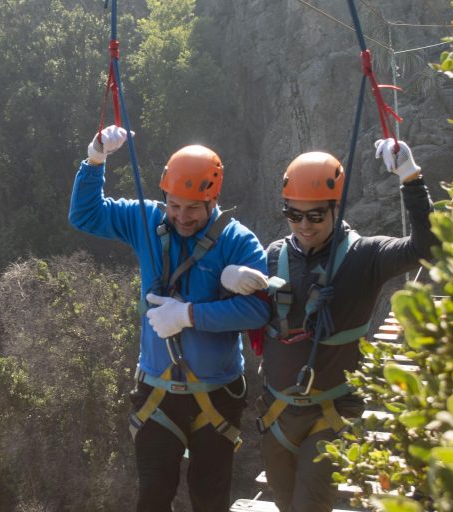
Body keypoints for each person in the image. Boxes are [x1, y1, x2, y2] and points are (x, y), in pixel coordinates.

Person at [220, 139, 437, 512]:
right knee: (286, 503)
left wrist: (410, 177)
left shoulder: (365, 256)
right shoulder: (274, 256)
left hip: (332, 413)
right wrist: (228, 279)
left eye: (316, 215)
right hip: (277, 413)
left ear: (336, 208)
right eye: (294, 214)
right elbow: (235, 308)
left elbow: (427, 248)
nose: (304, 225)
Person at [69, 125, 270, 512]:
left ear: (213, 199)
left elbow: (258, 310)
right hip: (157, 392)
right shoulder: (147, 220)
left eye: (193, 208)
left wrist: (189, 315)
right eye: (174, 205)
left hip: (217, 392)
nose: (181, 217)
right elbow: (85, 215)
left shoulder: (238, 241)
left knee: (209, 499)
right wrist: (94, 160)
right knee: (153, 495)